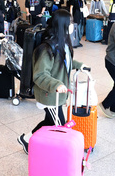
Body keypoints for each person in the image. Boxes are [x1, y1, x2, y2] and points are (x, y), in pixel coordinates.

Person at [16, 10, 86, 154]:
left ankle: (27, 139)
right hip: (49, 95)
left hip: (57, 94)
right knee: (60, 125)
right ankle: (59, 155)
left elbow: (64, 62)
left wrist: (79, 65)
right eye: (70, 23)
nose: (72, 25)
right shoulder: (46, 48)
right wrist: (56, 84)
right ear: (63, 25)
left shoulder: (62, 43)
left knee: (49, 121)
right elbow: (40, 75)